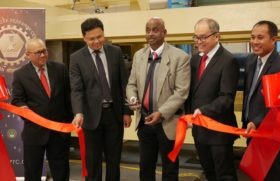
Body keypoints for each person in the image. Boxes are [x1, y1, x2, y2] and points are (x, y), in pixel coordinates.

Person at [126, 17, 191, 181]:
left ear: (164, 32)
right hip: (145, 121)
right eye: (147, 30)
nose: (150, 34)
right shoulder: (139, 56)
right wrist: (132, 97)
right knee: (145, 168)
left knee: (170, 169)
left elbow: (181, 92)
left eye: (155, 30)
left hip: (167, 122)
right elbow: (131, 84)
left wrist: (161, 113)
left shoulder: (180, 57)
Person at [69, 17, 132, 181]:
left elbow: (123, 83)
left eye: (99, 36)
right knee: (93, 160)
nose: (97, 41)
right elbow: (76, 89)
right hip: (90, 117)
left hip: (114, 114)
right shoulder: (76, 58)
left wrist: (127, 111)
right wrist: (78, 113)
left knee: (114, 158)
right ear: (84, 38)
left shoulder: (115, 52)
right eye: (92, 39)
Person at [185, 18, 239, 181]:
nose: (198, 41)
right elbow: (191, 92)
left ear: (217, 36)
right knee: (208, 173)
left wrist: (203, 111)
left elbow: (227, 97)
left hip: (219, 132)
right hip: (199, 131)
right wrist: (188, 115)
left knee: (225, 175)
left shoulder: (228, 60)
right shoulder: (195, 59)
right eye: (196, 37)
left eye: (203, 37)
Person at [11, 38, 72, 181]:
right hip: (34, 132)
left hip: (59, 131)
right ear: (28, 55)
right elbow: (17, 100)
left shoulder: (60, 68)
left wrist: (70, 120)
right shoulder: (20, 74)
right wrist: (24, 109)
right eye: (38, 52)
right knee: (32, 172)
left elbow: (68, 95)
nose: (43, 55)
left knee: (61, 171)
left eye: (44, 51)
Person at [242, 20, 280, 181]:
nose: (255, 42)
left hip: (270, 133)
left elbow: (276, 106)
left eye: (260, 37)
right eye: (252, 37)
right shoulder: (250, 61)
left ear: (274, 40)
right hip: (252, 129)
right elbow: (250, 94)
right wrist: (247, 120)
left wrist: (256, 121)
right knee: (256, 173)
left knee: (272, 174)